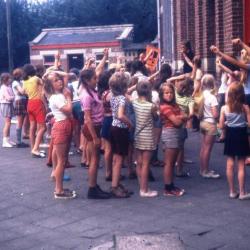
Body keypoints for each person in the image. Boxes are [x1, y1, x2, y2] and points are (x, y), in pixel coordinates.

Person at [44, 71, 76, 199]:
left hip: (64, 124)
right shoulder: (56, 97)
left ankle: (60, 187)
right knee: (62, 161)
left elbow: (66, 76)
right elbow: (68, 110)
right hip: (61, 126)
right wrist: (68, 97)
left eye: (59, 79)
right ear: (51, 85)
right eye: (56, 80)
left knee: (62, 160)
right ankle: (58, 190)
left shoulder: (57, 95)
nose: (60, 81)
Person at [79, 69, 111, 199]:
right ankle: (92, 188)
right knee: (94, 160)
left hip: (97, 127)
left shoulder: (92, 92)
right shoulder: (86, 95)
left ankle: (94, 185)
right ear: (87, 80)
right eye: (94, 79)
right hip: (93, 129)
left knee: (96, 159)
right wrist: (95, 137)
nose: (96, 81)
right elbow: (87, 119)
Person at [219, 83, 250, 200]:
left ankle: (232, 191)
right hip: (241, 135)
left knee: (230, 162)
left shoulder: (224, 108)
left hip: (230, 135)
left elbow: (221, 126)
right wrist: (244, 123)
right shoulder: (245, 107)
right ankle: (242, 192)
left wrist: (227, 123)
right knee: (241, 164)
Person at [159, 82, 187, 196]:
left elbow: (185, 115)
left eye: (171, 92)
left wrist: (180, 117)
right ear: (162, 94)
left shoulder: (174, 105)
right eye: (166, 93)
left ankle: (171, 185)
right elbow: (177, 122)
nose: (169, 95)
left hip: (176, 133)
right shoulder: (164, 107)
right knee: (169, 163)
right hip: (170, 134)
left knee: (172, 162)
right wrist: (181, 118)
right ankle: (168, 188)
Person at [132, 79, 158, 197]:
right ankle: (144, 189)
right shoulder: (151, 106)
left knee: (139, 162)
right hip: (147, 136)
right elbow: (156, 118)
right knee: (146, 164)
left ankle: (141, 184)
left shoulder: (134, 103)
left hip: (137, 135)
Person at [109, 72, 133, 198]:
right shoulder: (122, 98)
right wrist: (130, 124)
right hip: (120, 128)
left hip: (113, 127)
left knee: (116, 158)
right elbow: (120, 115)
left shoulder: (113, 96)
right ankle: (115, 186)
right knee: (119, 160)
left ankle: (116, 183)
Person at [23, 64, 46, 158]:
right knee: (42, 127)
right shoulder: (36, 79)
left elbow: (24, 92)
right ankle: (36, 149)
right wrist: (45, 105)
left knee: (32, 127)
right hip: (37, 103)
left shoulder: (25, 81)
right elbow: (42, 93)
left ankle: (33, 148)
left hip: (29, 103)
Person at [199, 74, 220, 178]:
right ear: (212, 84)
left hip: (203, 122)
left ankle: (202, 168)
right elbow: (215, 114)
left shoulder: (202, 95)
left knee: (203, 147)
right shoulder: (212, 97)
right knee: (208, 149)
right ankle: (205, 171)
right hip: (210, 123)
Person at [12, 68, 29, 148]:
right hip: (19, 101)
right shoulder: (15, 82)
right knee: (19, 122)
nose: (22, 75)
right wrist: (25, 90)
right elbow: (22, 92)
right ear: (18, 75)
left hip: (23, 100)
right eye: (21, 74)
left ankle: (19, 141)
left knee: (22, 121)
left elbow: (22, 92)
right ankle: (18, 141)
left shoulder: (20, 82)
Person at [0, 73, 15, 147]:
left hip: (9, 104)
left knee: (9, 122)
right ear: (5, 79)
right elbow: (9, 98)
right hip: (6, 105)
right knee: (7, 123)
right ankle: (5, 141)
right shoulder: (3, 88)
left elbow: (12, 96)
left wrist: (12, 97)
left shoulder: (8, 87)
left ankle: (8, 139)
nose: (10, 79)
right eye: (9, 78)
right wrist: (13, 97)